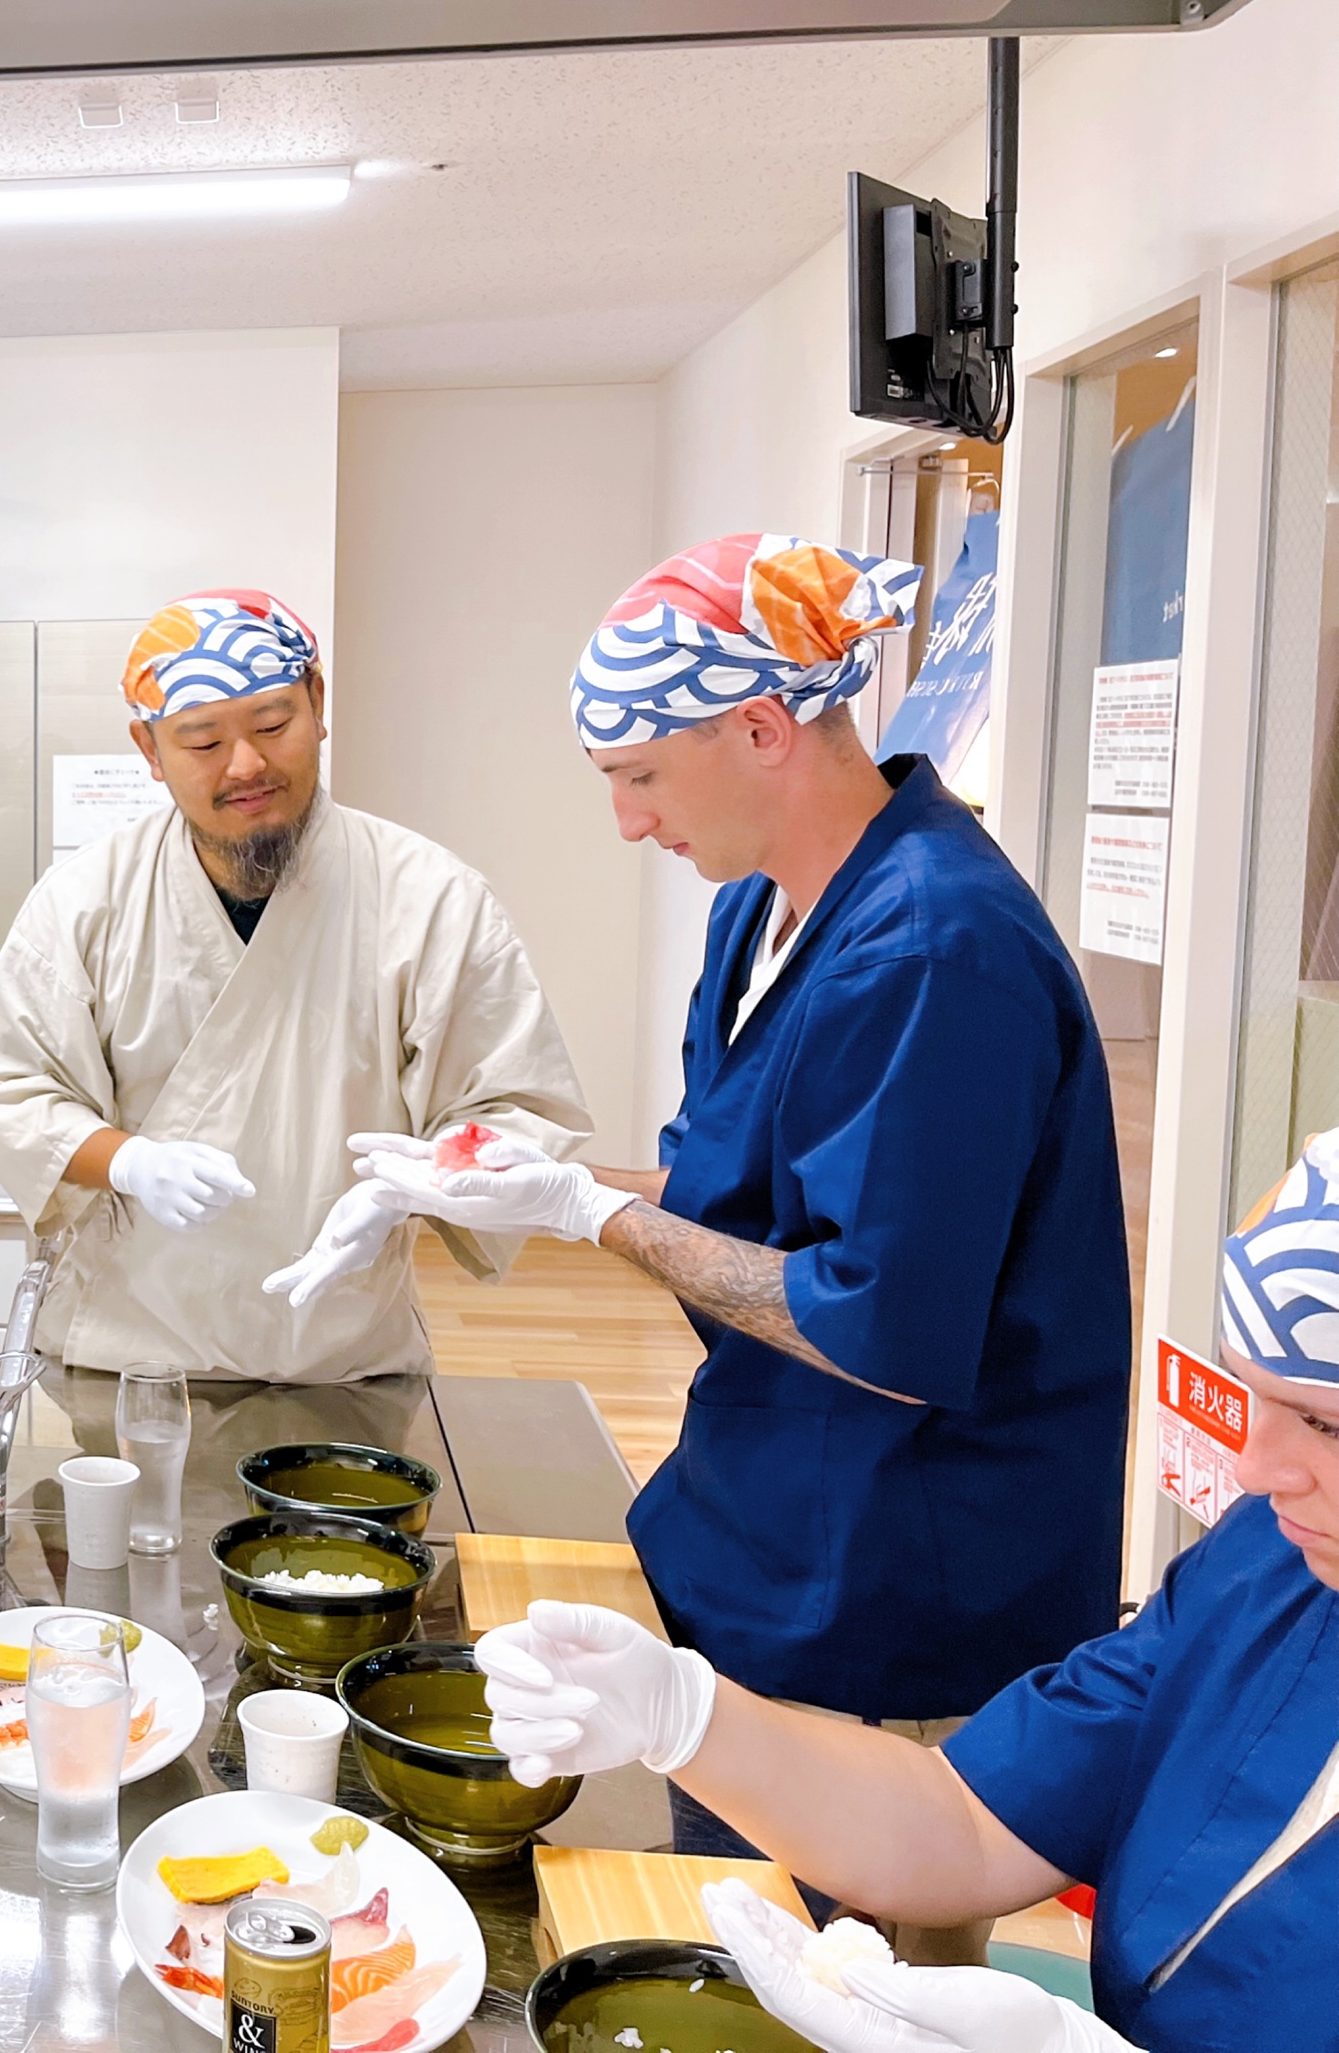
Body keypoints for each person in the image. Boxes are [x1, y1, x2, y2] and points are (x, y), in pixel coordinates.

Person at [371, 534, 1131, 1960]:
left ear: (764, 728)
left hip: (899, 1579)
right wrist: (540, 1182)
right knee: (730, 1932)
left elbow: (883, 1329)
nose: (624, 823)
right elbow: (735, 1193)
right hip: (758, 1524)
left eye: (640, 776)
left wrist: (599, 1220)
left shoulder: (931, 951)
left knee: (846, 1971)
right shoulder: (757, 918)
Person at [477, 1136, 1339, 2053]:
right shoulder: (1266, 1571)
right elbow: (966, 1822)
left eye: (1322, 1421)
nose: (1255, 1466)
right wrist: (688, 1718)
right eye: (1252, 1398)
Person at [0, 590, 591, 1382]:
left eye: (272, 724)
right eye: (202, 740)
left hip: (338, 1350)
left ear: (318, 704)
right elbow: (5, 1087)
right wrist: (127, 1163)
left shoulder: (429, 898)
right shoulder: (85, 899)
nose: (246, 765)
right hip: (123, 1351)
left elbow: (514, 1108)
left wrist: (413, 1190)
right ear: (148, 751)